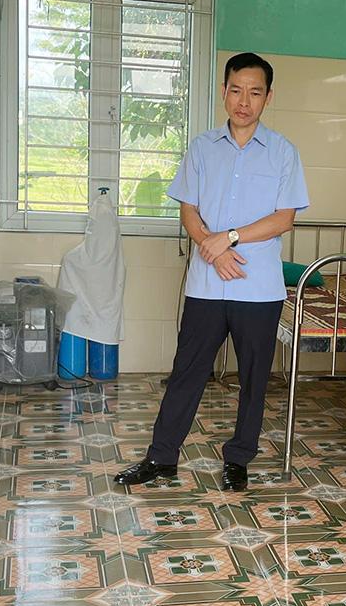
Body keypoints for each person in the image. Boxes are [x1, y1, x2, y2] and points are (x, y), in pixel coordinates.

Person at [115, 53, 309, 490]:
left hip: (258, 289)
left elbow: (284, 219)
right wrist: (212, 246)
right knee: (188, 371)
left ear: (268, 97)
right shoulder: (202, 148)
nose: (245, 101)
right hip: (206, 284)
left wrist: (230, 237)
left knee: (253, 380)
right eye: (236, 90)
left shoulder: (283, 153)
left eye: (255, 92)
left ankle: (239, 458)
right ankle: (161, 457)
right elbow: (189, 211)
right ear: (224, 92)